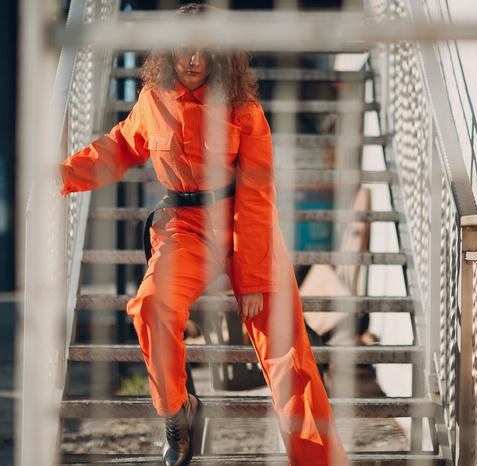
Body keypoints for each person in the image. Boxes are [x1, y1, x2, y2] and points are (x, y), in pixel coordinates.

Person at [58, 4, 348, 465]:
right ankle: (178, 413)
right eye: (184, 48)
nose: (193, 59)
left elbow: (256, 194)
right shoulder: (153, 101)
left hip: (245, 225)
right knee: (151, 305)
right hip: (185, 229)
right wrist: (61, 176)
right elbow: (116, 147)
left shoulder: (243, 108)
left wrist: (252, 279)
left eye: (204, 50)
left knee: (289, 355)